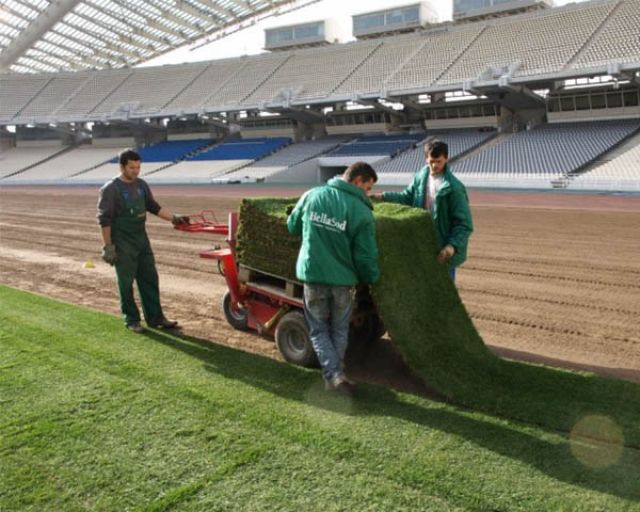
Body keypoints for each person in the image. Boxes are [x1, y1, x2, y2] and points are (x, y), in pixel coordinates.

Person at [287, 161, 380, 394]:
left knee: (318, 330)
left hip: (313, 274)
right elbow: (365, 255)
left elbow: (292, 226)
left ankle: (334, 375)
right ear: (358, 181)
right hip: (343, 280)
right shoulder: (361, 212)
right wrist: (372, 278)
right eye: (367, 188)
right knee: (339, 330)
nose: (367, 193)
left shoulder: (312, 195)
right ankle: (337, 375)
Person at [97, 149, 190, 333]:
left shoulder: (141, 185)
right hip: (122, 242)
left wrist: (173, 218)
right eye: (132, 168)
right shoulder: (110, 189)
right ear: (122, 166)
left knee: (150, 278)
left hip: (141, 239)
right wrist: (108, 246)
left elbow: (153, 207)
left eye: (138, 167)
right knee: (126, 282)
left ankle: (156, 318)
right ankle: (131, 319)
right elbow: (104, 220)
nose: (136, 171)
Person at [371, 140, 473, 282]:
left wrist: (451, 246)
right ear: (426, 159)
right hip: (421, 241)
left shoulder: (453, 188)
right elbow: (407, 197)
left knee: (443, 288)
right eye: (431, 161)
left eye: (439, 161)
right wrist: (383, 196)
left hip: (441, 246)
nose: (434, 165)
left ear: (446, 159)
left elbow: (464, 224)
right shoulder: (421, 176)